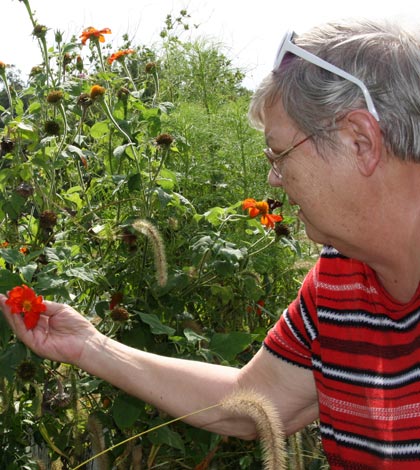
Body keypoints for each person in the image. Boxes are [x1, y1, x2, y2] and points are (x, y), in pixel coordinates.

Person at [2, 17, 420, 469]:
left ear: (361, 142)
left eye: (279, 155)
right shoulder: (338, 278)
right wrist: (90, 347)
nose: (272, 180)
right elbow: (254, 401)